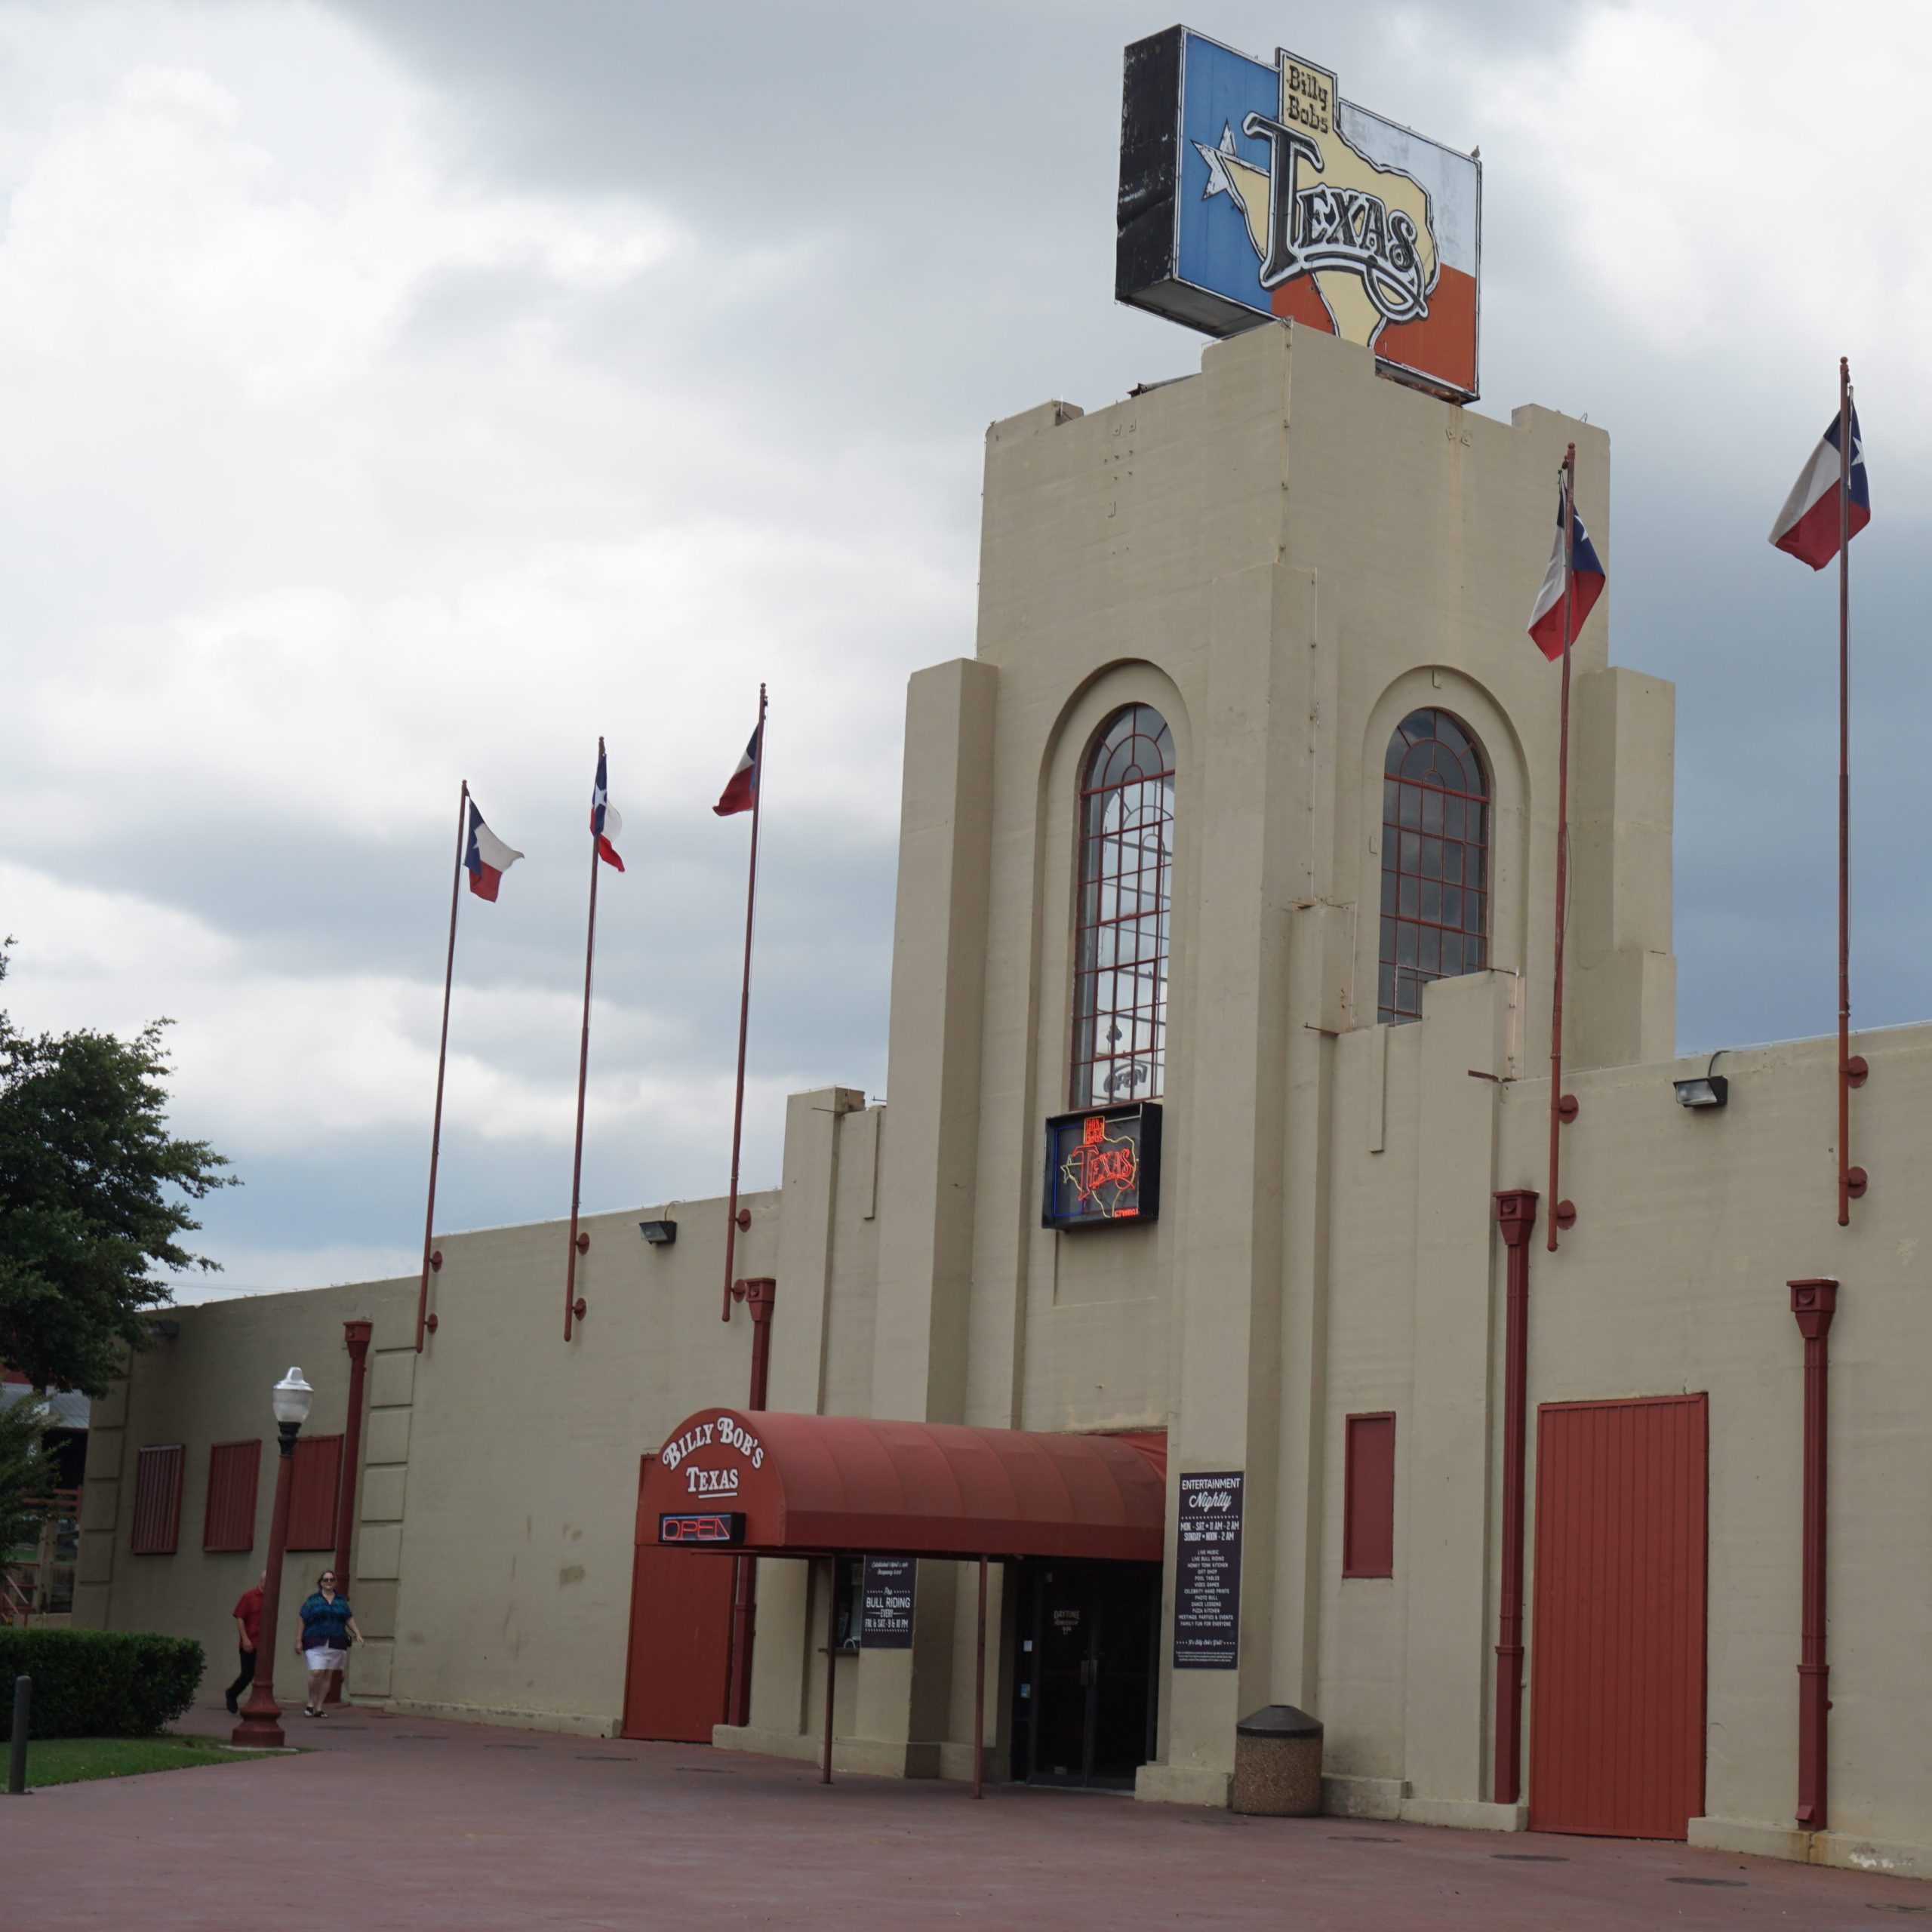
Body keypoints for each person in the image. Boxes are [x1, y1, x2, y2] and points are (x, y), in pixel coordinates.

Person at [295, 1567, 361, 1718]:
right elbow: (302, 1618)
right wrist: (299, 1640)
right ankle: (311, 1702)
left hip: (336, 1640)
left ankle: (319, 1707)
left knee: (327, 1675)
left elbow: (348, 1618)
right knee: (316, 1671)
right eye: (326, 1580)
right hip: (315, 1640)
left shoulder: (341, 1600)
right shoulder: (313, 1600)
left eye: (331, 1580)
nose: (329, 1582)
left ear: (335, 1582)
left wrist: (357, 1633)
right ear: (321, 1583)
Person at [225, 1570, 266, 1715]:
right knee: (248, 1674)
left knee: (263, 1675)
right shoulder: (249, 1597)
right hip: (250, 1642)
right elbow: (240, 1618)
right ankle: (232, 1693)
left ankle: (258, 1701)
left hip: (264, 1644)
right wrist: (245, 1639)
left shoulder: (271, 1598)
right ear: (262, 1581)